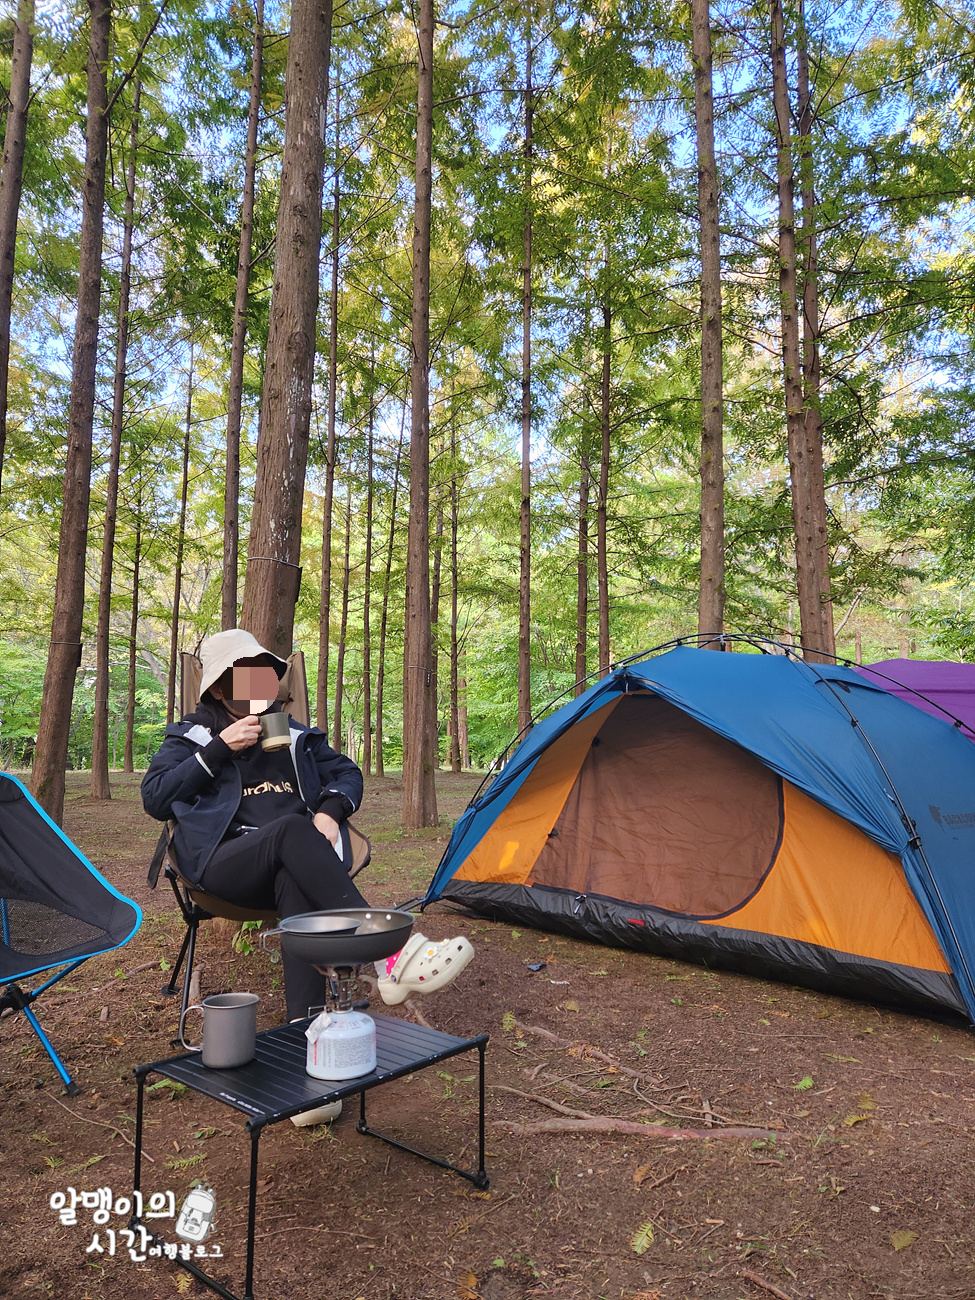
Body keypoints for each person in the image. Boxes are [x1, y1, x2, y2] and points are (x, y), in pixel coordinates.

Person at [142, 628, 474, 1028]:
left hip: (298, 864)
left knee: (296, 873)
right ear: (217, 689)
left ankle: (309, 1032)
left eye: (264, 673)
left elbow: (347, 773)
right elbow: (155, 797)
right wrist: (220, 748)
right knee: (291, 830)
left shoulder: (293, 733)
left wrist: (330, 811)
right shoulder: (192, 735)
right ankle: (393, 953)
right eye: (244, 674)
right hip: (222, 863)